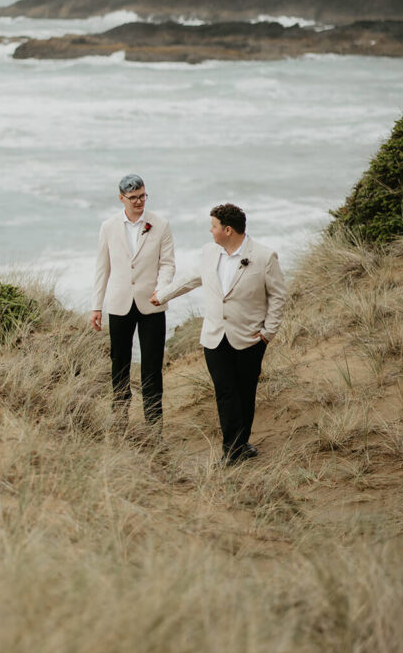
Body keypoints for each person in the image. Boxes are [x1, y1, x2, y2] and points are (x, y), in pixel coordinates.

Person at [151, 203, 286, 464]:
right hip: (214, 337)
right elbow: (191, 278)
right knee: (225, 391)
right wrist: (162, 295)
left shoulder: (264, 256)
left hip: (250, 338)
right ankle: (231, 450)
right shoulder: (209, 253)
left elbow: (278, 297)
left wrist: (268, 332)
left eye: (213, 226)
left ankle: (242, 443)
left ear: (227, 230)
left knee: (245, 392)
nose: (210, 230)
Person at [91, 175, 175, 429]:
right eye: (133, 198)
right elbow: (101, 268)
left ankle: (154, 426)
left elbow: (168, 264)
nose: (139, 202)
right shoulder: (108, 227)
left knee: (151, 366)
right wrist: (97, 306)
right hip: (119, 303)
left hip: (152, 304)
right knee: (120, 363)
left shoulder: (160, 225)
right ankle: (119, 420)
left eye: (142, 196)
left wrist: (162, 291)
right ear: (121, 198)